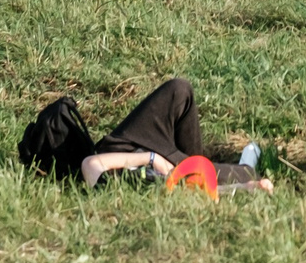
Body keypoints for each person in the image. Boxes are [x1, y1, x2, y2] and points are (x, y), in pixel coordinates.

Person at [23, 77, 270, 194]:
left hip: (119, 148)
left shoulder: (93, 174)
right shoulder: (145, 190)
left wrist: (151, 159)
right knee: (247, 173)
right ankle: (203, 168)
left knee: (179, 89)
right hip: (162, 165)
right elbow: (195, 191)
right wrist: (247, 187)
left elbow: (91, 163)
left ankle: (197, 165)